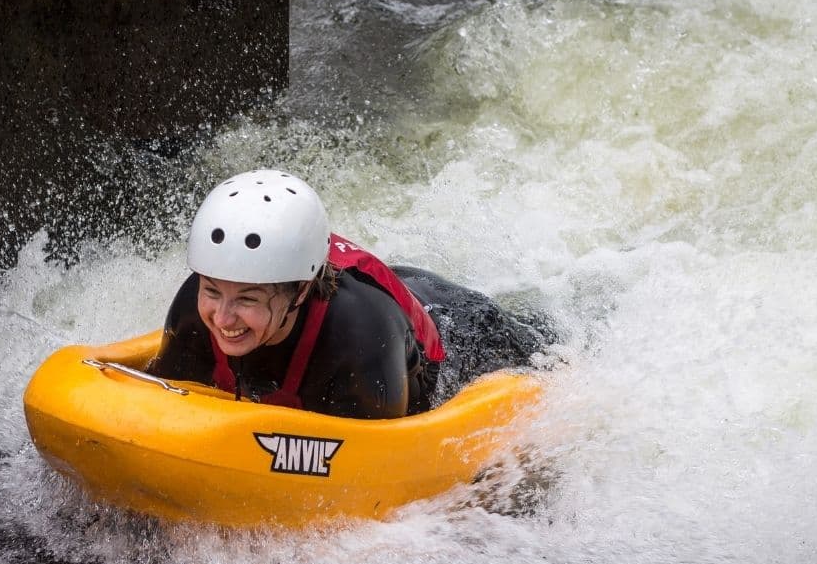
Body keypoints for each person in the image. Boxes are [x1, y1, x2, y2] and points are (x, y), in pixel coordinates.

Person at [147, 169, 554, 419]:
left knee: (552, 351)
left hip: (460, 329)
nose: (221, 318)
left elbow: (382, 470)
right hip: (383, 298)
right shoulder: (192, 310)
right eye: (213, 291)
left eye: (247, 299)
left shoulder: (358, 341)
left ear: (300, 291)